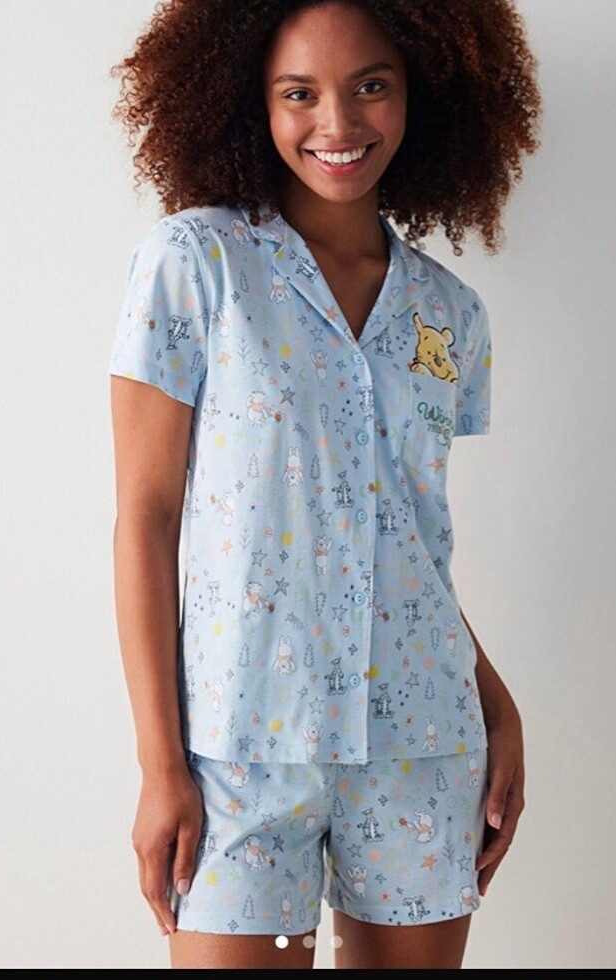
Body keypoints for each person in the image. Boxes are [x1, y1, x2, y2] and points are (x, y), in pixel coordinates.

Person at [108, 0, 541, 969]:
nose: (337, 123)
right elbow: (145, 516)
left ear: (420, 90)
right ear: (250, 101)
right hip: (238, 755)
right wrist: (159, 762)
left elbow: (401, 541)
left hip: (424, 741)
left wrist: (495, 699)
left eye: (370, 86)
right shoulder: (195, 266)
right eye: (298, 93)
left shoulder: (449, 314)